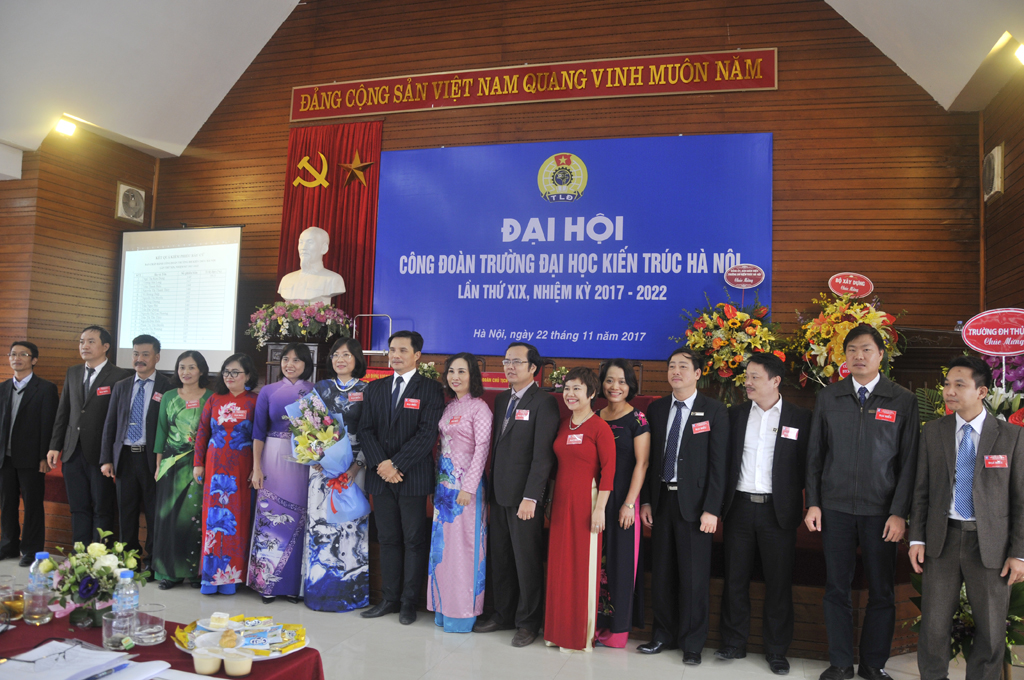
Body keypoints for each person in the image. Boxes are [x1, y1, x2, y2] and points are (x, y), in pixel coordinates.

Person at [804, 323, 919, 680]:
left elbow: (909, 463)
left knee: (881, 591)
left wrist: (899, 512)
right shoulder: (829, 396)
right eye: (852, 349)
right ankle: (840, 663)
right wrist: (814, 502)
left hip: (881, 513)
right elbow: (815, 456)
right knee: (836, 588)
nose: (859, 356)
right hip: (835, 509)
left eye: (866, 349)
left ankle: (873, 664)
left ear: (881, 355)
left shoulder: (902, 399)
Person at [910, 355, 1024, 680]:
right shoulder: (934, 432)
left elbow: (1021, 500)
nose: (949, 391)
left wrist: (1019, 554)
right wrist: (916, 538)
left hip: (991, 546)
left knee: (990, 630)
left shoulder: (1011, 437)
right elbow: (921, 490)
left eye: (959, 385)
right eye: (947, 384)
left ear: (982, 391)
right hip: (942, 540)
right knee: (933, 627)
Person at [716, 352, 812, 675]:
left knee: (778, 583)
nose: (747, 382)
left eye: (755, 377)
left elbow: (808, 466)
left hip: (778, 512)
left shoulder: (800, 418)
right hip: (739, 508)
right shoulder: (735, 415)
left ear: (775, 381)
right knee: (735, 578)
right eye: (746, 376)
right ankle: (733, 642)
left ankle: (776, 650)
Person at [638, 347, 728, 665]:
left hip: (696, 506)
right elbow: (647, 460)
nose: (676, 371)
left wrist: (712, 509)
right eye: (672, 366)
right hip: (662, 500)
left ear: (698, 373)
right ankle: (663, 634)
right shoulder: (657, 409)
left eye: (683, 366)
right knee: (662, 573)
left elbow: (719, 465)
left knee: (693, 577)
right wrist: (646, 500)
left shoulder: (714, 410)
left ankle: (692, 643)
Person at [473, 342, 559, 647]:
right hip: (499, 493)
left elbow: (543, 456)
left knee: (526, 562)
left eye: (517, 362)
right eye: (506, 361)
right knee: (501, 558)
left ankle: (528, 622)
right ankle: (503, 614)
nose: (509, 366)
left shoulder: (544, 402)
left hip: (525, 498)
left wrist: (532, 497)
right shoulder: (500, 399)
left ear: (533, 368)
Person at [359, 330, 445, 625]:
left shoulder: (430, 389)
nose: (395, 355)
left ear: (417, 355)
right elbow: (365, 430)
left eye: (402, 350)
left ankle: (409, 602)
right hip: (380, 477)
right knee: (387, 539)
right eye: (392, 350)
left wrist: (395, 464)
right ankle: (389, 598)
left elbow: (427, 434)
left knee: (413, 540)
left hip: (413, 476)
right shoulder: (375, 388)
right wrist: (382, 465)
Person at [544, 367, 616, 652]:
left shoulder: (600, 427)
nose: (570, 394)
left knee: (581, 569)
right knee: (559, 567)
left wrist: (600, 509)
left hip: (587, 503)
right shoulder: (563, 424)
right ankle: (556, 631)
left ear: (592, 393)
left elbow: (609, 472)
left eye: (577, 388)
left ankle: (578, 636)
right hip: (561, 503)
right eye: (567, 388)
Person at [48, 326, 131, 545]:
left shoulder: (120, 376)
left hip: (101, 453)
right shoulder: (73, 372)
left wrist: (111, 455)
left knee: (102, 508)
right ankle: (80, 554)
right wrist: (55, 445)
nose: (84, 346)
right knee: (78, 507)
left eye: (91, 341)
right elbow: (64, 411)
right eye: (82, 341)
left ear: (106, 346)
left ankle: (99, 556)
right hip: (72, 451)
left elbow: (120, 419)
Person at [427, 352, 492, 632]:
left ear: (473, 376)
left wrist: (469, 487)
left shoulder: (480, 408)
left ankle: (463, 613)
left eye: (462, 371)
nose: (455, 377)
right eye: (451, 371)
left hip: (467, 489)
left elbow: (482, 449)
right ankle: (443, 608)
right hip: (444, 489)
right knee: (444, 550)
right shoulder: (449, 407)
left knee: (465, 550)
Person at [307, 337, 370, 611]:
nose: (340, 359)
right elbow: (307, 426)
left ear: (357, 359)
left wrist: (356, 466)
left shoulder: (368, 390)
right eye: (335, 355)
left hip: (354, 469)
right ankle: (319, 591)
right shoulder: (320, 388)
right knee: (322, 527)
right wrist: (315, 458)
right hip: (322, 469)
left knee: (351, 527)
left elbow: (371, 432)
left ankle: (352, 593)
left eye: (346, 355)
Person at [248, 342, 314, 604]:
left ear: (306, 364)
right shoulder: (268, 391)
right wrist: (256, 467)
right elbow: (258, 432)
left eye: (296, 360)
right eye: (286, 359)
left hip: (302, 460)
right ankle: (267, 584)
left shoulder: (314, 391)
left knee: (299, 517)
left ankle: (293, 586)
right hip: (272, 457)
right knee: (271, 514)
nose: (290, 364)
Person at [100, 334, 171, 566]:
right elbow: (110, 423)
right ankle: (128, 558)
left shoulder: (168, 386)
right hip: (125, 457)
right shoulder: (121, 386)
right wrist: (107, 459)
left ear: (157, 357)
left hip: (152, 458)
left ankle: (152, 559)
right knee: (126, 511)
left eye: (145, 354)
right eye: (135, 354)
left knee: (153, 511)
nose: (139, 359)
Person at [192, 354, 258, 596]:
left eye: (235, 372)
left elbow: (259, 436)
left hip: (242, 467)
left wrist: (257, 467)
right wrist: (198, 463)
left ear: (247, 376)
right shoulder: (214, 399)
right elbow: (202, 432)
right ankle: (210, 578)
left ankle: (231, 578)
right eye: (226, 372)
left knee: (236, 519)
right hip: (214, 465)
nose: (229, 376)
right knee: (212, 520)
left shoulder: (255, 401)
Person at [595, 359, 649, 648]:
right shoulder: (594, 416)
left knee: (620, 564)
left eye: (622, 381)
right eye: (609, 380)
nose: (615, 386)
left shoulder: (638, 420)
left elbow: (642, 464)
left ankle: (616, 632)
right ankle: (592, 624)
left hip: (623, 500)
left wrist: (629, 504)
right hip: (596, 500)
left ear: (630, 386)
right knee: (595, 562)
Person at [151, 350, 213, 589]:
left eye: (191, 367)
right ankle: (169, 573)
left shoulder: (211, 397)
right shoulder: (168, 396)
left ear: (201, 370)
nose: (185, 372)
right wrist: (158, 464)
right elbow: (161, 430)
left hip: (199, 465)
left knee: (194, 518)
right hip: (170, 464)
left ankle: (195, 573)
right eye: (181, 367)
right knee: (168, 517)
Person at [0, 342, 58, 566]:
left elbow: (48, 424)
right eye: (13, 354)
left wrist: (44, 456)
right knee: (7, 503)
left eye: (23, 354)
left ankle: (31, 550)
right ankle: (8, 544)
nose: (17, 358)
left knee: (33, 505)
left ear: (34, 360)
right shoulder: (3, 387)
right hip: (4, 457)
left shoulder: (45, 388)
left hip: (32, 458)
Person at [277, 226, 346, 304]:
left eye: (310, 242)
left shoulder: (333, 279)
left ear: (324, 248)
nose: (303, 247)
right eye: (301, 242)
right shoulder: (286, 279)